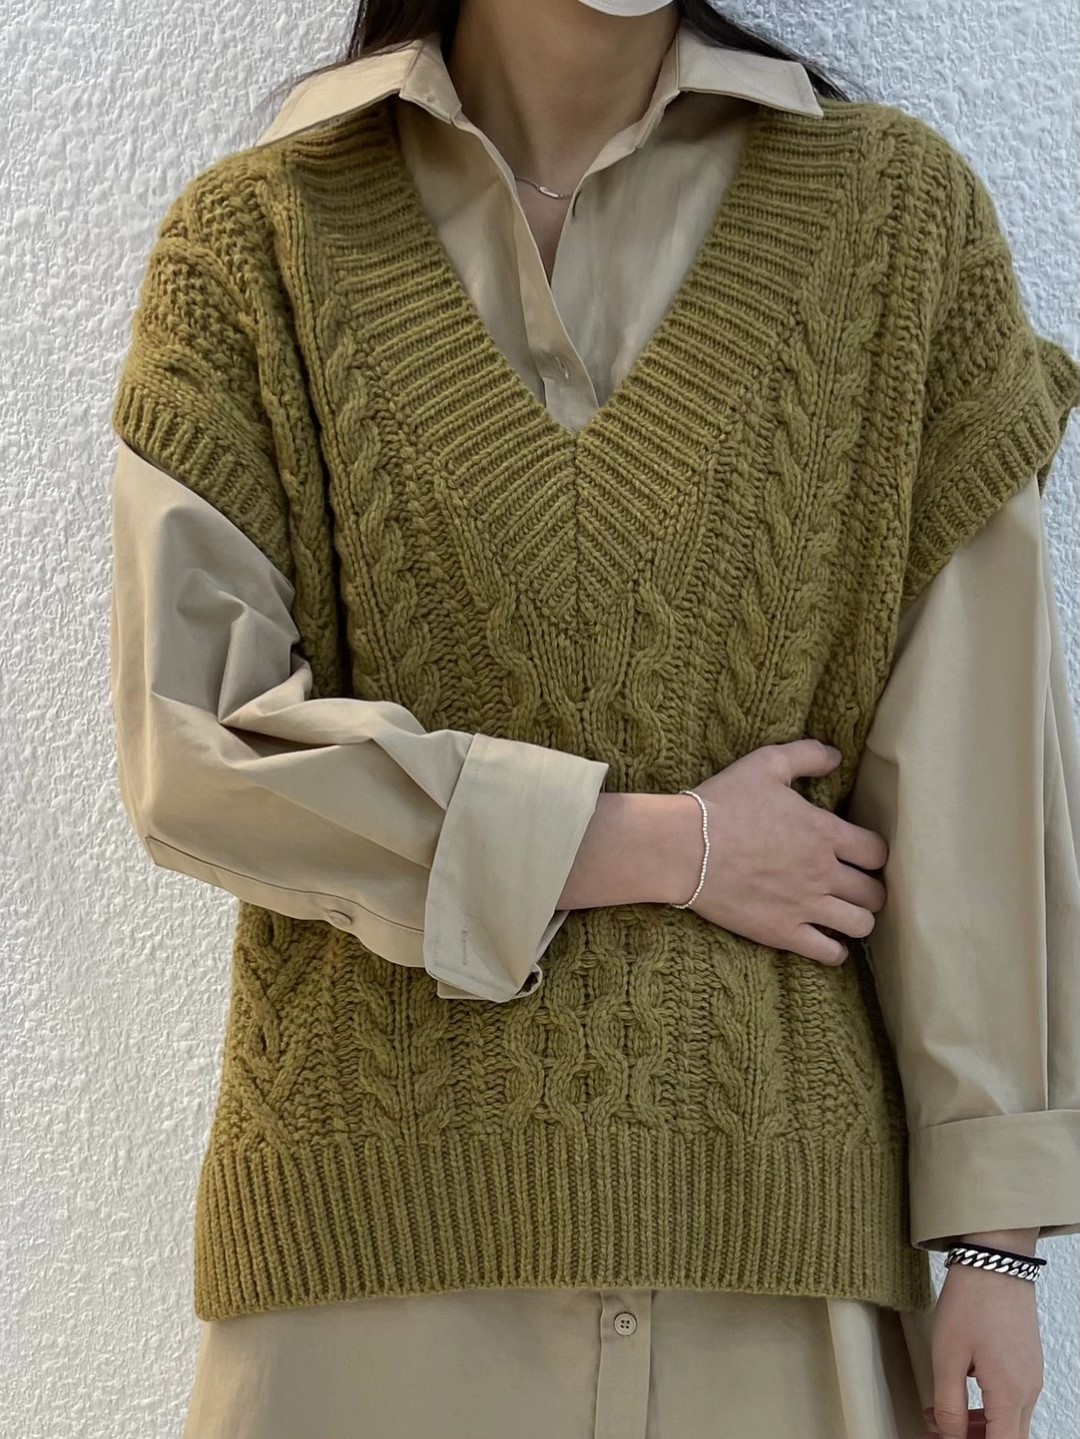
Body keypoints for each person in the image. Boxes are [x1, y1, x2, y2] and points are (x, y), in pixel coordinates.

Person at [107, 2, 1080, 1436]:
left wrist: (994, 1242)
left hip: (776, 1258)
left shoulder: (895, 225)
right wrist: (659, 846)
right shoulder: (260, 244)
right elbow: (196, 748)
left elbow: (974, 762)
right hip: (371, 1266)